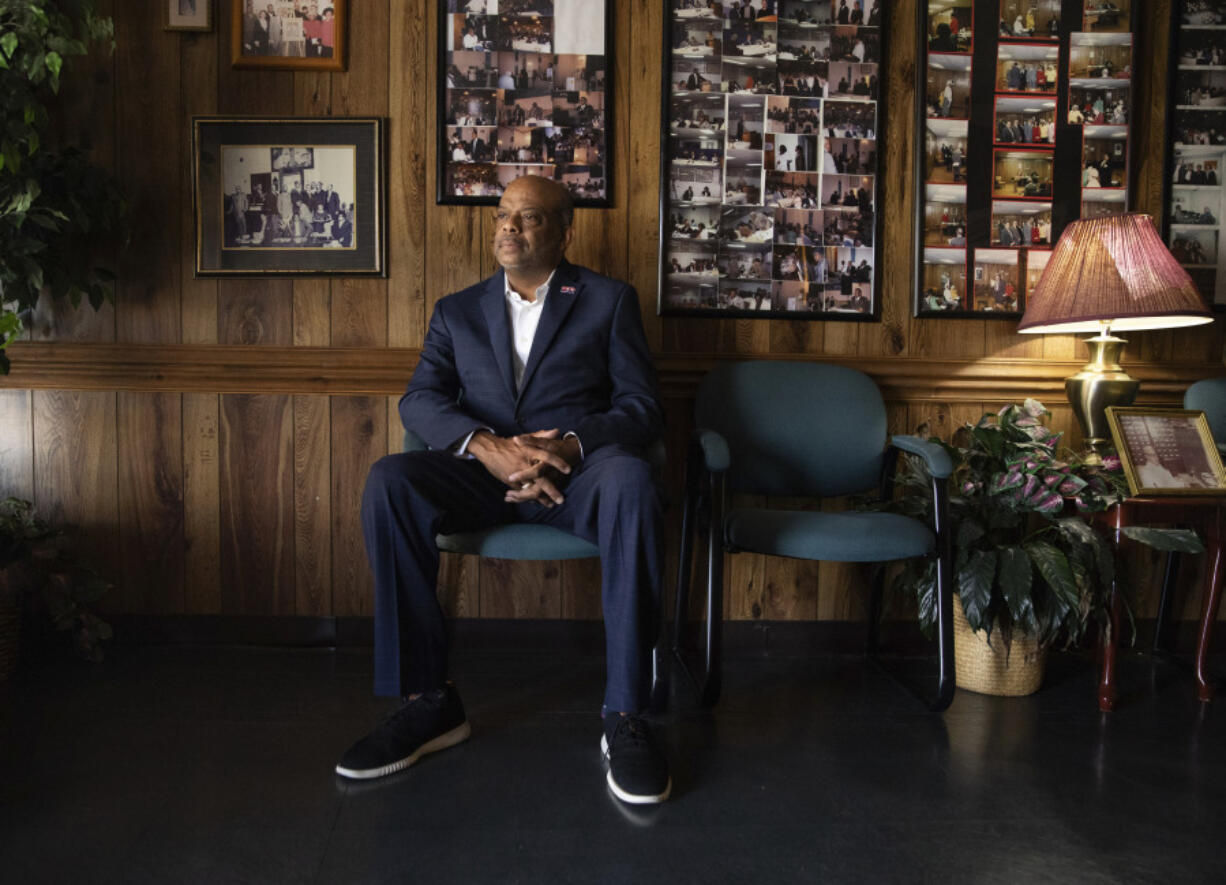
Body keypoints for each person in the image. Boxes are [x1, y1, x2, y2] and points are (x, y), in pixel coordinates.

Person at [336, 176, 671, 805]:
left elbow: (641, 408)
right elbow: (421, 399)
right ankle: (429, 700)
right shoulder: (456, 310)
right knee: (391, 480)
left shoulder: (608, 300)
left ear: (565, 230)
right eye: (503, 215)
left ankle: (627, 715)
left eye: (530, 217)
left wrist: (565, 446)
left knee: (632, 480)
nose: (510, 227)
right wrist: (490, 449)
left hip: (577, 476)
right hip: (482, 476)